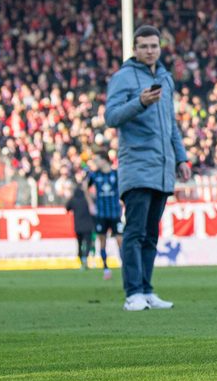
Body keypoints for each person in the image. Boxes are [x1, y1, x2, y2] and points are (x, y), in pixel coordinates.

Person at [105, 25, 191, 311]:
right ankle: (133, 293)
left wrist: (181, 158)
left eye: (154, 46)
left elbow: (171, 124)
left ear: (160, 48)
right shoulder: (123, 77)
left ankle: (146, 289)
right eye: (144, 46)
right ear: (135, 49)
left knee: (151, 234)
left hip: (162, 167)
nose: (150, 51)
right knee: (135, 232)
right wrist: (139, 102)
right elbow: (111, 117)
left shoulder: (165, 78)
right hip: (137, 165)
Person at [87, 152, 123, 280]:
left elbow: (123, 187)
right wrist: (91, 204)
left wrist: (122, 201)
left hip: (115, 213)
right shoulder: (94, 175)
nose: (95, 163)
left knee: (120, 240)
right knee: (102, 240)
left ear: (104, 160)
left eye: (97, 160)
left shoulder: (116, 174)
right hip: (101, 214)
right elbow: (85, 187)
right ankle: (106, 268)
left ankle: (125, 266)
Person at [64, 170, 95, 270]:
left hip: (78, 225)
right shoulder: (88, 198)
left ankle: (81, 259)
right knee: (88, 243)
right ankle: (85, 258)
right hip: (88, 225)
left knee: (80, 244)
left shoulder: (73, 199)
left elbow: (67, 208)